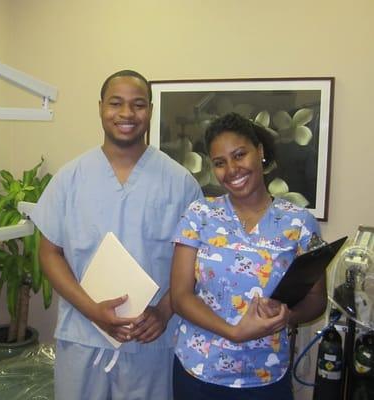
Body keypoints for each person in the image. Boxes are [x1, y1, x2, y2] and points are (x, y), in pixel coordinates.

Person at [31, 70, 202, 400]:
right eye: (116, 103)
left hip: (151, 338)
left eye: (138, 104)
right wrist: (91, 310)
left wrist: (165, 312)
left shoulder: (180, 183)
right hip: (84, 335)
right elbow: (49, 253)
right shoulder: (70, 179)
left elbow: (195, 263)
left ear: (150, 110)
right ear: (100, 108)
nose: (126, 114)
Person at [170, 112, 327, 400]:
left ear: (261, 152)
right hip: (198, 372)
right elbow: (180, 296)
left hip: (265, 377)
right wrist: (233, 332)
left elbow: (317, 300)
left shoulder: (300, 222)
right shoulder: (199, 215)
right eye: (219, 163)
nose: (231, 169)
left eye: (239, 155)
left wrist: (288, 316)